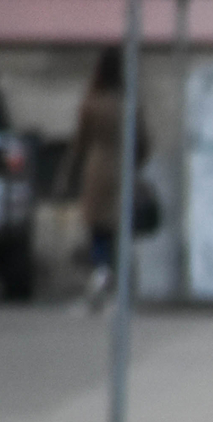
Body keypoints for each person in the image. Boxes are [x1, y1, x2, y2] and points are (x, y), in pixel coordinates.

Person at [65, 46, 147, 312]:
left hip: (96, 170)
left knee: (98, 232)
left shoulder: (92, 103)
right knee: (120, 232)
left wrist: (68, 175)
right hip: (123, 171)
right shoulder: (130, 103)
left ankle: (100, 276)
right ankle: (119, 289)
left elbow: (79, 144)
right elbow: (143, 143)